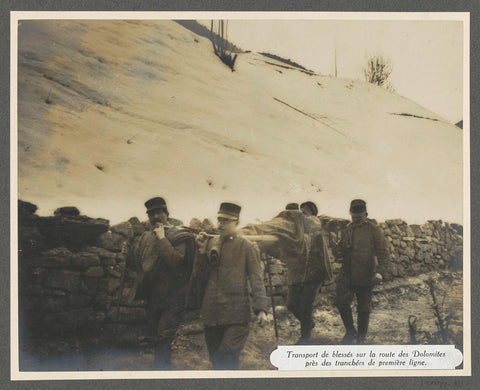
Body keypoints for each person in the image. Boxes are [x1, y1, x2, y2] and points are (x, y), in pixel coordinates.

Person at [195, 202, 268, 369]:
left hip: (236, 313)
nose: (221, 224)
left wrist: (261, 309)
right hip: (212, 311)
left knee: (227, 355)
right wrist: (200, 252)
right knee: (215, 359)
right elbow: (199, 276)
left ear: (237, 223)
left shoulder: (247, 247)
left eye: (226, 221)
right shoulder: (211, 242)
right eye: (219, 220)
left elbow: (256, 279)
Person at [126, 196, 196, 369]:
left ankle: (161, 374)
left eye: (159, 212)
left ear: (167, 214)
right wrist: (127, 254)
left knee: (164, 338)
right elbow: (140, 266)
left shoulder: (181, 235)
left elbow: (175, 261)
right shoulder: (145, 238)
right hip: (154, 298)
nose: (155, 217)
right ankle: (163, 370)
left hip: (174, 297)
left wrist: (162, 238)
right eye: (151, 214)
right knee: (155, 338)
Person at [335, 199, 389, 344]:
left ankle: (360, 338)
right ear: (350, 215)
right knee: (341, 302)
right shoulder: (346, 229)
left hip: (366, 274)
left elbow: (383, 252)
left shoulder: (373, 229)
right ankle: (350, 331)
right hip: (347, 274)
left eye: (359, 217)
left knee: (364, 309)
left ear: (366, 214)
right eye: (354, 217)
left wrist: (380, 272)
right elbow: (341, 250)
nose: (356, 220)